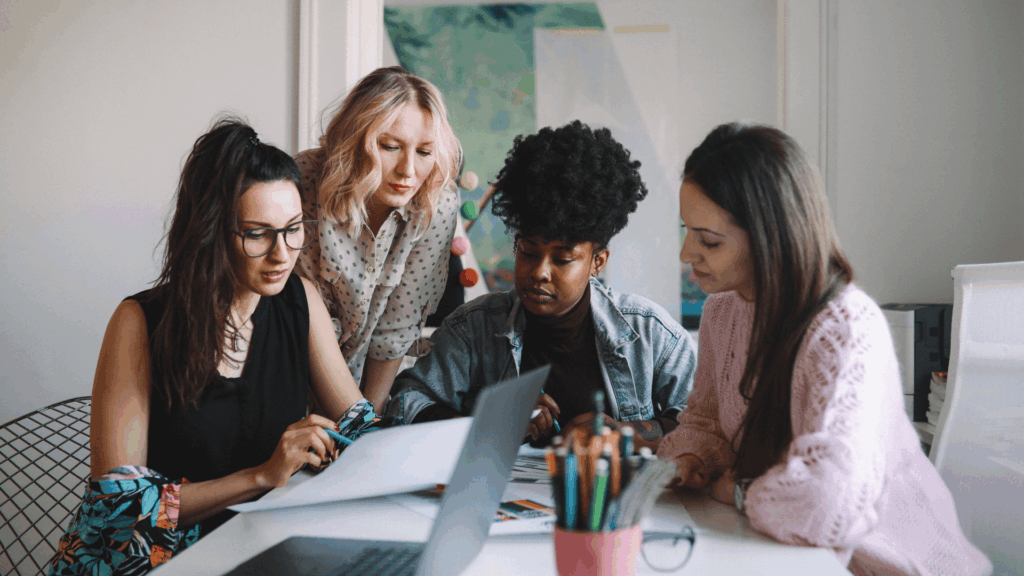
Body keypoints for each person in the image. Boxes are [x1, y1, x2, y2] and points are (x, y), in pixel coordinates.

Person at [47, 119, 385, 576]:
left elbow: (357, 423)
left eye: (292, 229)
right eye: (257, 234)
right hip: (154, 563)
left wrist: (427, 459)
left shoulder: (299, 300)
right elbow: (118, 508)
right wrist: (262, 476)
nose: (282, 253)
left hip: (254, 551)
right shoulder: (139, 322)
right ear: (210, 232)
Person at [657, 123, 991, 575]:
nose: (686, 253)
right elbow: (706, 421)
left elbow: (828, 504)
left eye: (708, 240)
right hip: (781, 549)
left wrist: (735, 490)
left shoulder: (845, 329)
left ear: (768, 235)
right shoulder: (721, 311)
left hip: (892, 565)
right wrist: (692, 457)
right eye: (688, 231)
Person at [387, 121, 697, 451]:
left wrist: (624, 436)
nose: (539, 272)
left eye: (563, 259)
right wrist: (489, 422)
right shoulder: (473, 328)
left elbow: (704, 423)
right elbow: (406, 404)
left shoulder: (650, 333)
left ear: (598, 261)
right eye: (528, 252)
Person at [295, 66, 463, 411]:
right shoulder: (302, 182)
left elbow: (395, 330)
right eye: (390, 146)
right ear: (355, 138)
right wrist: (354, 422)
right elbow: (305, 319)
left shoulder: (437, 202)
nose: (408, 171)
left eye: (424, 152)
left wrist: (369, 425)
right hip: (287, 379)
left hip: (358, 394)